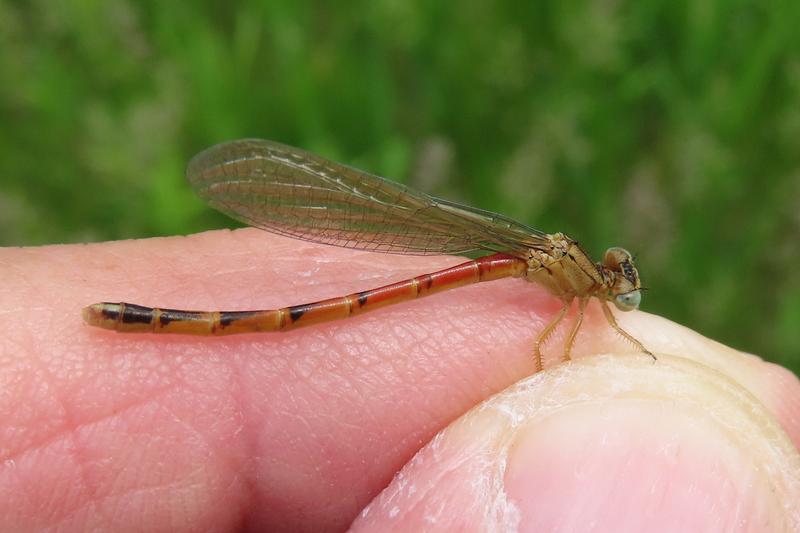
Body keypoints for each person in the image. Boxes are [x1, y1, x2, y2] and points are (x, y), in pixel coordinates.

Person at [1, 228, 798, 531]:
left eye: (616, 276)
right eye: (615, 275)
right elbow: (561, 340)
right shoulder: (576, 289)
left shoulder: (572, 284)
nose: (617, 284)